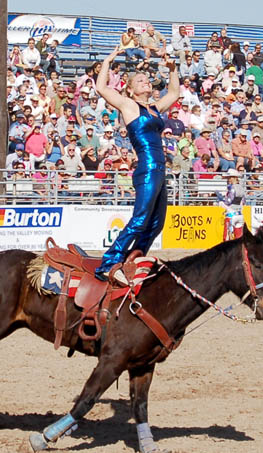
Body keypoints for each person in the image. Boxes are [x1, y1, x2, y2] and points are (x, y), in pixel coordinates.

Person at [93, 46, 179, 281]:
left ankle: (134, 259)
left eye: (147, 79)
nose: (146, 82)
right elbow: (101, 88)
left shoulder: (154, 109)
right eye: (140, 80)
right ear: (130, 90)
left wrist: (172, 69)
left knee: (157, 224)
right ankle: (108, 263)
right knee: (140, 219)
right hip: (147, 168)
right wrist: (108, 60)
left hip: (160, 169)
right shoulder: (130, 106)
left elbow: (174, 94)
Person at [216, 169, 245, 240]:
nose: (228, 179)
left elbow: (228, 201)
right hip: (239, 214)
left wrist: (221, 199)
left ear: (234, 177)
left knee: (227, 237)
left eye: (229, 177)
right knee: (239, 237)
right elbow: (243, 201)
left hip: (231, 214)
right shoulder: (241, 188)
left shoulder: (232, 188)